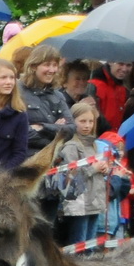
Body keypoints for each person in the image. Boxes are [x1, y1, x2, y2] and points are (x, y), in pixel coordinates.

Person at [52, 101, 113, 245]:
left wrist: (104, 169)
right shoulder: (70, 146)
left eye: (91, 121)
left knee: (90, 244)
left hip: (94, 201)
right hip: (78, 204)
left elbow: (98, 169)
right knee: (78, 243)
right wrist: (94, 169)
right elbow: (70, 175)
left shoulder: (94, 145)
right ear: (73, 122)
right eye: (82, 121)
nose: (87, 125)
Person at [19, 44, 75, 148]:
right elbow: (19, 133)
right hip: (24, 158)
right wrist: (56, 129)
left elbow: (71, 129)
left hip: (50, 158)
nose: (52, 70)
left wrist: (42, 127)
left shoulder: (58, 95)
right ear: (34, 66)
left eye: (55, 65)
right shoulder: (17, 91)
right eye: (47, 65)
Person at [91, 60, 132, 131]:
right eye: (120, 64)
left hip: (116, 139)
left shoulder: (123, 89)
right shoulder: (94, 85)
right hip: (99, 138)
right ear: (110, 62)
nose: (124, 69)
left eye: (128, 65)